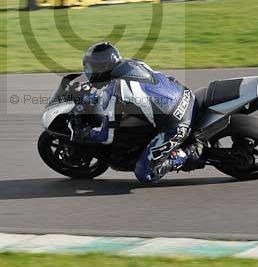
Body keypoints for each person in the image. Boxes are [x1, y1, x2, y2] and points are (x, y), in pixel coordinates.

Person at [69, 42, 204, 183]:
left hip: (177, 122)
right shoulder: (132, 64)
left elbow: (106, 137)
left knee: (145, 174)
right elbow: (160, 78)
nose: (89, 72)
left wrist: (85, 133)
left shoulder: (114, 94)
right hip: (185, 95)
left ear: (102, 68)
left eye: (91, 68)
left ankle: (190, 152)